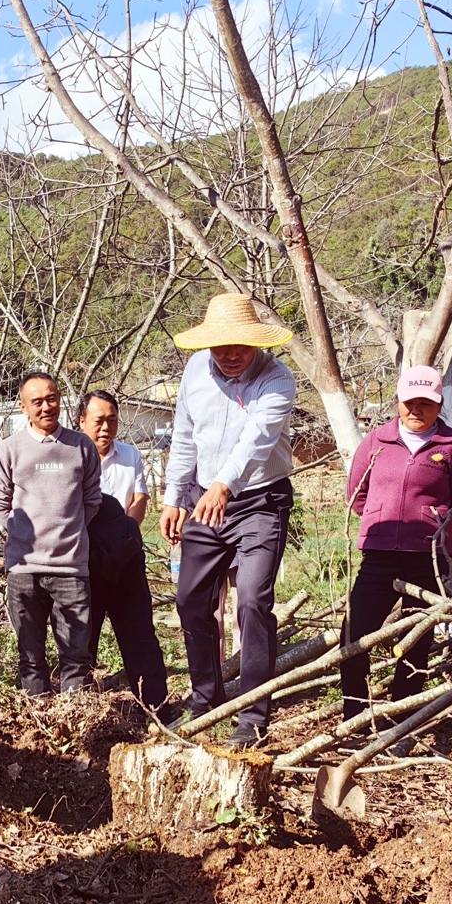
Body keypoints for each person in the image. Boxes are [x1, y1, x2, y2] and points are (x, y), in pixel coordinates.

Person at [160, 293, 296, 748]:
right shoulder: (195, 370)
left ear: (255, 343)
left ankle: (253, 715)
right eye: (221, 347)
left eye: (238, 345)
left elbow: (257, 440)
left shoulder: (277, 380)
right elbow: (183, 434)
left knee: (252, 602)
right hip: (203, 498)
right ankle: (205, 699)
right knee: (191, 600)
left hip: (259, 500)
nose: (230, 355)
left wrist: (224, 484)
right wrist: (174, 496)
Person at [341, 366, 452, 723]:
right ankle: (353, 713)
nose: (416, 410)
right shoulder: (375, 442)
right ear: (398, 402)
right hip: (378, 554)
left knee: (416, 640)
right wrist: (381, 517)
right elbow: (356, 495)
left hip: (426, 558)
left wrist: (432, 524)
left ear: (439, 404)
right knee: (354, 634)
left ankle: (404, 718)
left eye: (426, 404)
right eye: (409, 403)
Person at [0, 371, 102, 695]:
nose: (46, 406)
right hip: (24, 570)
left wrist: (69, 532)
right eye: (37, 401)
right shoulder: (10, 449)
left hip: (71, 568)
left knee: (76, 656)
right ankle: (38, 723)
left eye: (51, 398)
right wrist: (20, 537)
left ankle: (76, 720)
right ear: (23, 407)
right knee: (30, 656)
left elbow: (92, 500)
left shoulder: (81, 446)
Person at [76, 390, 171, 716]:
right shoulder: (70, 456)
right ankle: (79, 711)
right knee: (82, 639)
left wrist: (125, 535)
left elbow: (140, 497)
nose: (105, 428)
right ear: (81, 421)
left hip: (125, 557)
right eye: (98, 420)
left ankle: (157, 708)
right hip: (84, 559)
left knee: (139, 634)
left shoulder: (130, 454)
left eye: (112, 420)